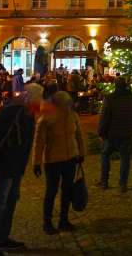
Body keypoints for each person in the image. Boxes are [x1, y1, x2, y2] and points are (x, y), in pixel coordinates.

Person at [0, 83, 43, 256]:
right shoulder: (13, 111)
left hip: (16, 167)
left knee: (10, 203)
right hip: (5, 165)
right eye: (38, 97)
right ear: (30, 96)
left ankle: (2, 238)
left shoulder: (28, 113)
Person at [32, 91, 86, 234]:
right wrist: (36, 162)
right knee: (51, 191)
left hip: (70, 159)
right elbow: (39, 142)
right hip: (53, 161)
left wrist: (81, 153)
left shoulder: (72, 116)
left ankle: (64, 220)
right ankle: (47, 222)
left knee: (67, 190)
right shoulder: (46, 119)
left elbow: (79, 136)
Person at [96, 77, 132, 191]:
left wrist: (101, 132)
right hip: (127, 133)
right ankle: (123, 183)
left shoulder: (110, 98)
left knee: (105, 155)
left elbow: (105, 117)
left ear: (115, 85)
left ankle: (104, 181)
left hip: (112, 133)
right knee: (125, 158)